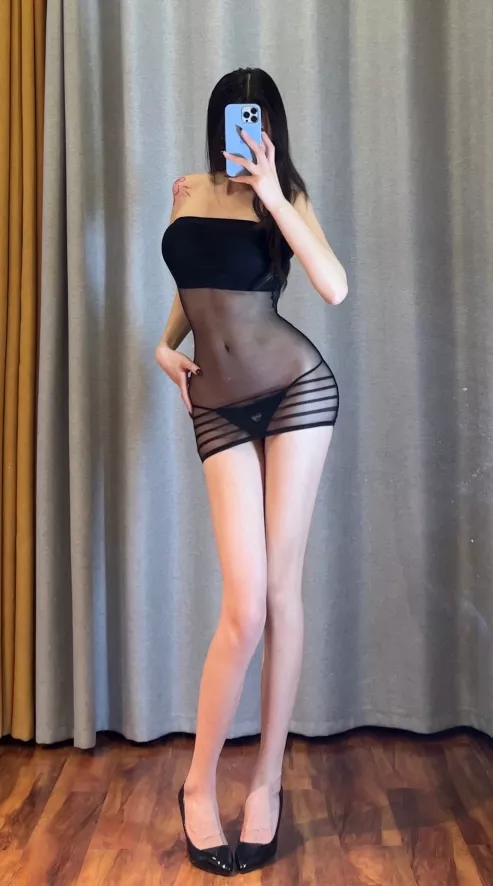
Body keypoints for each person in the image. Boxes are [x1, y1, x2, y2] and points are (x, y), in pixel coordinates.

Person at [157, 67, 348, 876]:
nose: (247, 130)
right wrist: (164, 344)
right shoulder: (187, 190)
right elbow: (194, 286)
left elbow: (333, 288)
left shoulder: (285, 195)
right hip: (216, 402)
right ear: (220, 123)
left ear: (271, 126)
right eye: (237, 118)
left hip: (295, 392)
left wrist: (272, 193)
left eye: (259, 118)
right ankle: (197, 786)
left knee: (278, 594)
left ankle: (266, 783)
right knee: (242, 607)